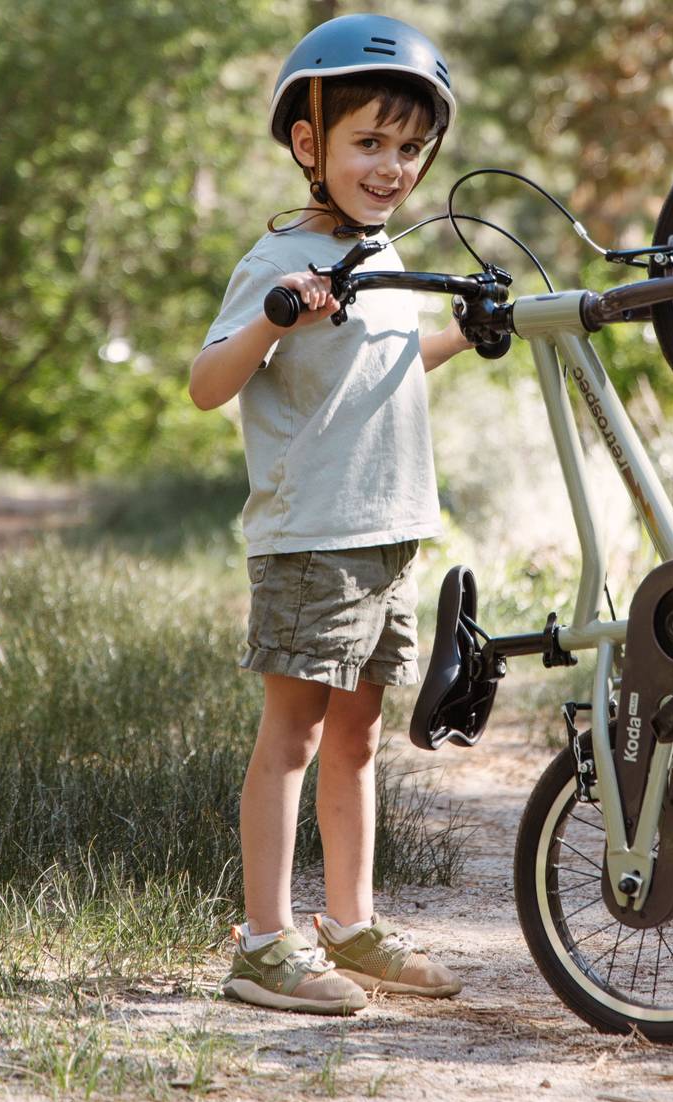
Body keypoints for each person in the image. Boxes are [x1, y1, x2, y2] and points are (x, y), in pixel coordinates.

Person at [188, 13, 471, 1014]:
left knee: (356, 739)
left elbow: (388, 362)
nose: (391, 167)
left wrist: (463, 335)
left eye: (407, 148)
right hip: (313, 537)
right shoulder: (280, 261)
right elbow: (206, 384)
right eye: (368, 143)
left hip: (388, 531)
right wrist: (276, 316)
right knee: (295, 738)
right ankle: (263, 943)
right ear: (309, 145)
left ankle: (348, 928)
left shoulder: (382, 250)